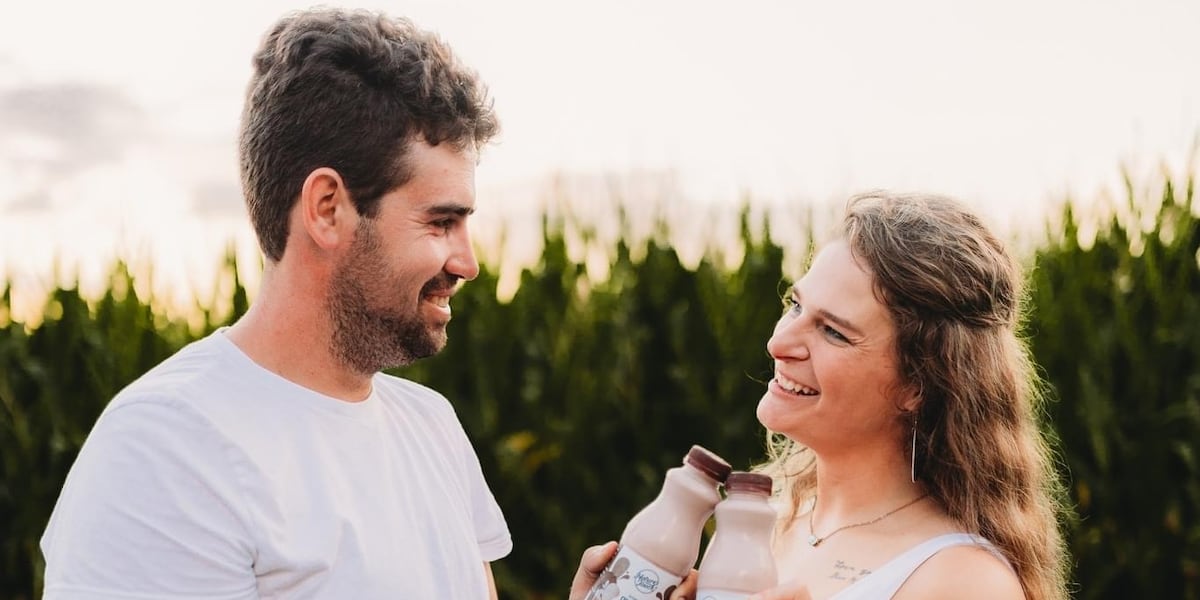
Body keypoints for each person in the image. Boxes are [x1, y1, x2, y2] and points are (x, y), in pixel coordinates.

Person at [40, 7, 510, 599]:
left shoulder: (431, 425)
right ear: (327, 208)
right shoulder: (166, 451)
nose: (467, 263)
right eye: (441, 222)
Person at [571, 191, 1069, 600]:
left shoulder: (963, 581)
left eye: (833, 332)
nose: (778, 344)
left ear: (918, 385)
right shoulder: (762, 528)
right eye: (795, 306)